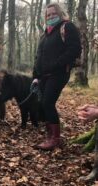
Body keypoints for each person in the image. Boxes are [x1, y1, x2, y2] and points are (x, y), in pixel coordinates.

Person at [32, 3, 81, 150]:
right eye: (48, 15)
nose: (51, 16)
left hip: (59, 73)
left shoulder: (67, 27)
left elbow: (74, 49)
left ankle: (55, 139)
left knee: (48, 102)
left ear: (60, 14)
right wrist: (35, 76)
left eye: (54, 13)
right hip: (44, 76)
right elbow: (38, 57)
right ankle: (50, 136)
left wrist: (56, 64)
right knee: (42, 104)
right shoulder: (45, 34)